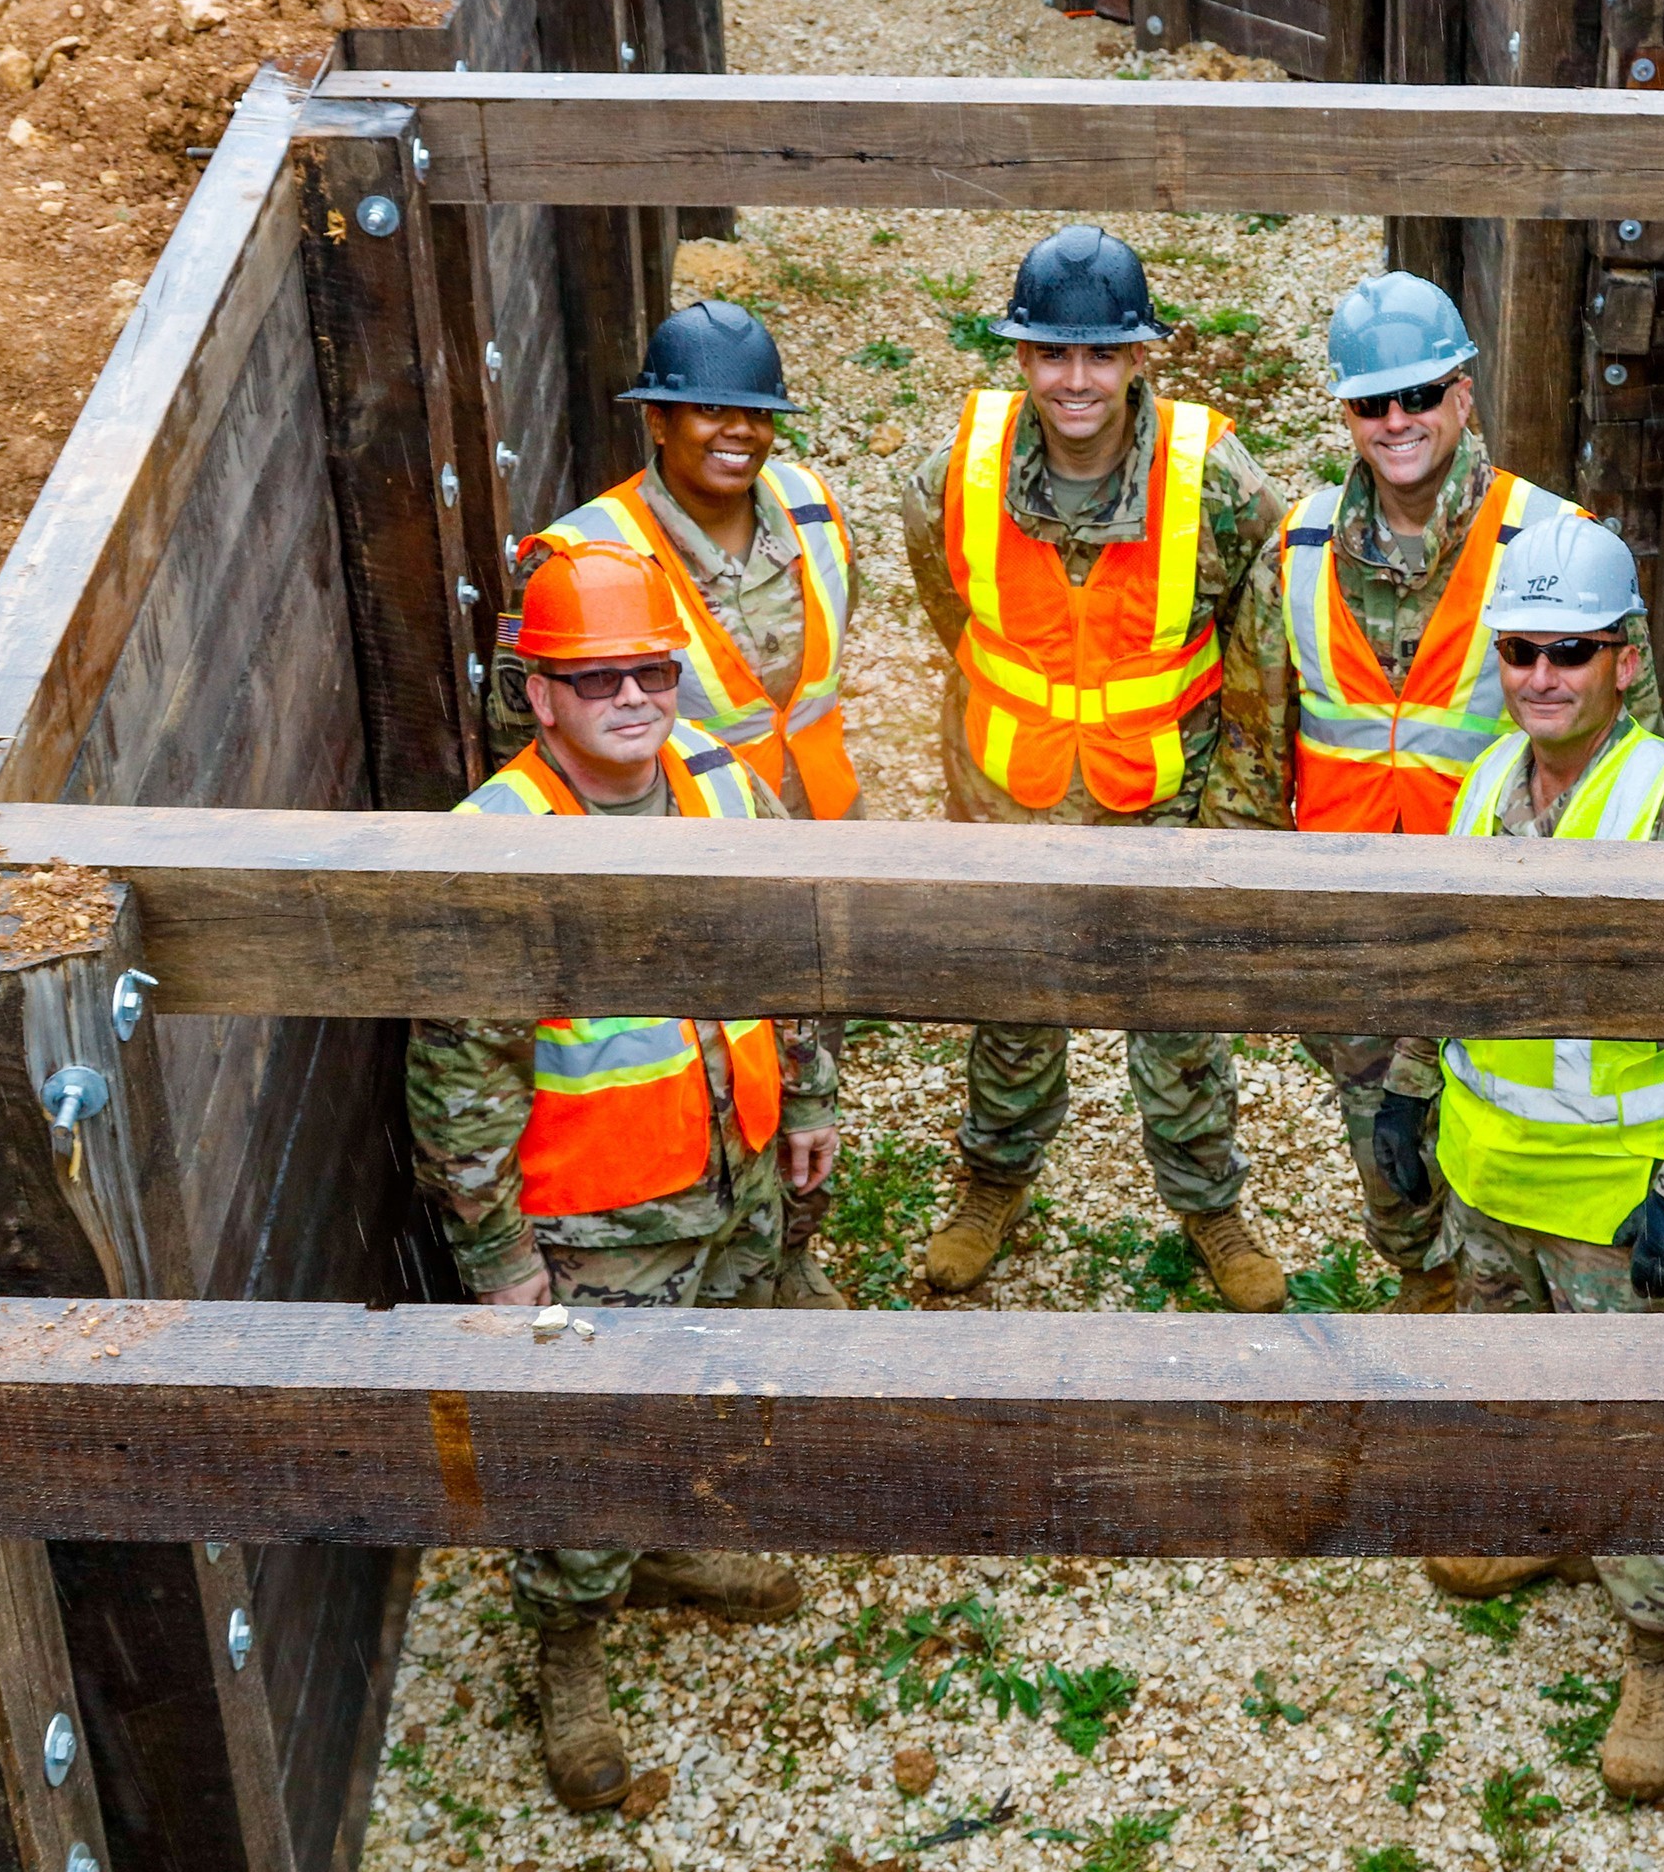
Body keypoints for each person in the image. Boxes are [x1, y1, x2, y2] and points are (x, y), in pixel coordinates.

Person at [409, 543, 843, 1813]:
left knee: (708, 1389)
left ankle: (671, 1546)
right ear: (540, 694)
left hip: (738, 1178)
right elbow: (460, 1080)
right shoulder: (496, 843)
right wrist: (499, 1262)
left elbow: (797, 945)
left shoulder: (721, 782)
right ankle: (571, 1644)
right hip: (596, 1227)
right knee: (581, 1449)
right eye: (600, 679)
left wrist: (808, 1089)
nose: (636, 698)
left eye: (653, 667)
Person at [1395, 510, 1664, 1804]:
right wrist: (1408, 1092)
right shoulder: (1484, 782)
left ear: (1624, 658)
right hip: (1489, 1184)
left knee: (1636, 1436)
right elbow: (1439, 961)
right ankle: (1537, 1524)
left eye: (1571, 651)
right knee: (1508, 1382)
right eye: (1520, 651)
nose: (1542, 676)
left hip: (1614, 1211)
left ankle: (1662, 1648)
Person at [1203, 273, 1664, 1312]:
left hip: (1511, 928)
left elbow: (1640, 758)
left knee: (1517, 1151)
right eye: (1373, 402)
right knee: (1394, 1172)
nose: (1398, 421)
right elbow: (1250, 761)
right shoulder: (1299, 552)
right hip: (1357, 936)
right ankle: (1427, 1291)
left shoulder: (1553, 546)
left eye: (1420, 394)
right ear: (1347, 414)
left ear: (1465, 393)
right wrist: (1255, 932)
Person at [899, 224, 1290, 1312]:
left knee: (1181, 1016)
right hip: (1010, 793)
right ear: (1020, 356)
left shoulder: (1217, 478)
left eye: (1101, 354)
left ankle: (1211, 1205)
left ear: (1141, 357)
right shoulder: (951, 473)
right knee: (1010, 1004)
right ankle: (992, 1186)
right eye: (1052, 353)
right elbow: (951, 604)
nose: (1077, 380)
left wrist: (1236, 820)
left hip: (1163, 793)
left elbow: (1263, 638)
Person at [494, 298, 861, 1308]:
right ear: (656, 419)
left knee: (784, 1063)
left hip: (801, 852)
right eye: (705, 408)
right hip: (653, 892)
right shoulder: (579, 560)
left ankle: (778, 1246)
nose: (734, 429)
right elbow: (531, 750)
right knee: (674, 1073)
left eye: (753, 409)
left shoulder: (814, 509)